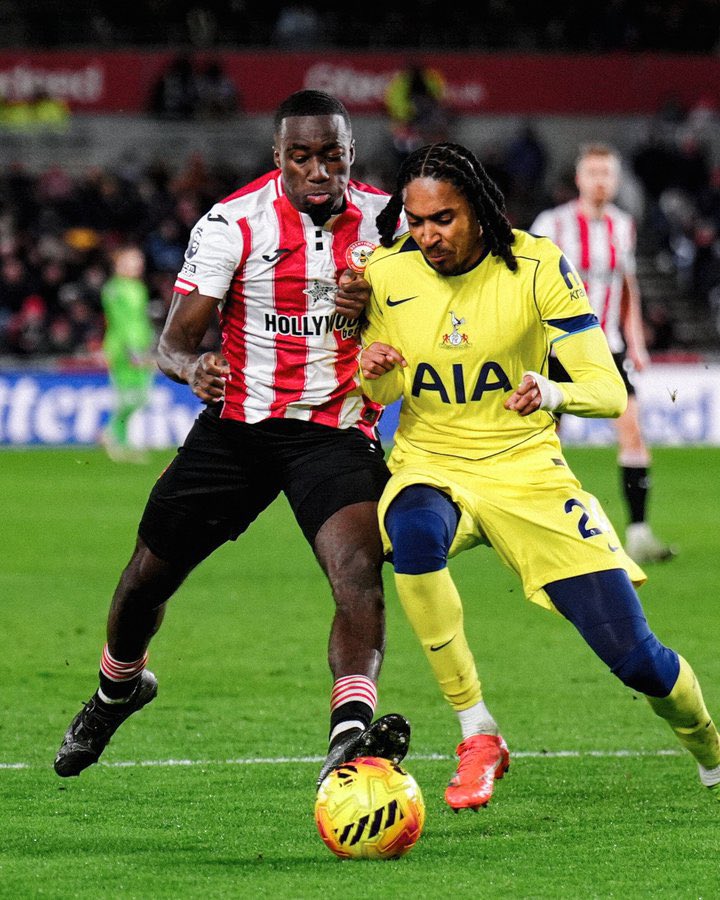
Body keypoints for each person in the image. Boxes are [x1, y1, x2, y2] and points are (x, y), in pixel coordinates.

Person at [54, 90, 410, 786]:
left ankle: (348, 735)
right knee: (145, 580)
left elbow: (427, 308)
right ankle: (116, 690)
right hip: (238, 428)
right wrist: (194, 368)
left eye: (331, 155)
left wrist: (380, 306)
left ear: (351, 154)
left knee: (358, 574)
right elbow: (174, 342)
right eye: (301, 156)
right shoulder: (232, 222)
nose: (318, 170)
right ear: (278, 156)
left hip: (335, 430)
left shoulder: (389, 221)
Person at [358, 142, 720, 811]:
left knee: (636, 659)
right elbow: (380, 391)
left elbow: (606, 390)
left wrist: (552, 392)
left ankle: (709, 745)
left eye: (443, 219)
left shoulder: (535, 263)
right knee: (412, 534)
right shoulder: (386, 271)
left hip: (527, 471)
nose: (428, 235)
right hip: (432, 461)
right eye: (417, 220)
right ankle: (477, 730)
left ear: (478, 211)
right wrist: (374, 368)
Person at [530, 144, 675, 564]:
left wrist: (636, 342)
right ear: (578, 178)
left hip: (606, 347)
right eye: (592, 172)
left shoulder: (622, 225)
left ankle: (639, 534)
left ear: (616, 180)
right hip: (556, 347)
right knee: (547, 442)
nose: (599, 180)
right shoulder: (551, 224)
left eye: (607, 173)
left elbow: (627, 286)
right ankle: (546, 532)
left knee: (632, 432)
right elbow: (528, 283)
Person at [100, 245, 155, 463]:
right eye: (132, 260)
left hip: (141, 346)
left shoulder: (139, 288)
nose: (138, 265)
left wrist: (148, 343)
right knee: (127, 396)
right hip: (123, 348)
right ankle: (119, 441)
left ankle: (112, 434)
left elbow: (141, 320)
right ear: (119, 264)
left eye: (139, 261)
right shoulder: (113, 289)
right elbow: (119, 321)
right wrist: (131, 349)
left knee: (141, 396)